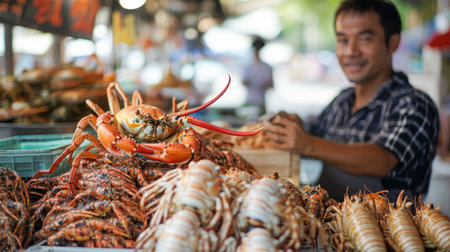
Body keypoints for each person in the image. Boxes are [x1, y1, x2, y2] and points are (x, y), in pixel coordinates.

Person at [263, 0, 440, 202]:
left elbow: (383, 160)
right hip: (328, 226)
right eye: (343, 40)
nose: (350, 52)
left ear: (393, 43)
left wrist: (308, 143)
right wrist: (290, 125)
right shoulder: (342, 101)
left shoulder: (414, 104)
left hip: (388, 230)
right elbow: (308, 135)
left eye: (364, 39)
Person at [242, 37, 274, 116]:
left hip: (260, 103)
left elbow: (271, 85)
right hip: (250, 101)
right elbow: (243, 82)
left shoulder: (267, 68)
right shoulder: (248, 66)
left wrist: (264, 84)